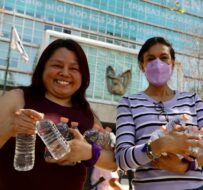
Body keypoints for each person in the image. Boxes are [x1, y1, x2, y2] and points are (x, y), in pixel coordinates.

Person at [0, 39, 117, 190]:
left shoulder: (88, 115)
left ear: (83, 75)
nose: (65, 73)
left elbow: (114, 162)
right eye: (57, 65)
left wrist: (89, 152)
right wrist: (10, 127)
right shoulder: (17, 98)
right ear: (42, 68)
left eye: (74, 68)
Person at [115, 37, 203, 190]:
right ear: (142, 65)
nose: (157, 64)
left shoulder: (192, 99)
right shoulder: (128, 103)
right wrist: (160, 145)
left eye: (163, 58)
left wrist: (188, 165)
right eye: (150, 59)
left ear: (172, 64)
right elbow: (121, 159)